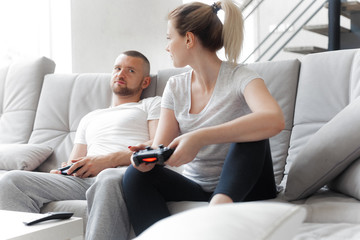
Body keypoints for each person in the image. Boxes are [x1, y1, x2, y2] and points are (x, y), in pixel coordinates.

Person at [122, 0, 285, 236]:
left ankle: (214, 220)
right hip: (200, 187)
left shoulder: (242, 77)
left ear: (188, 39)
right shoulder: (175, 87)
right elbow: (163, 145)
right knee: (134, 176)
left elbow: (274, 119)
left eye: (169, 38)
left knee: (252, 134)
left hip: (250, 187)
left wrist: (199, 137)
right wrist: (151, 157)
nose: (167, 47)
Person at [0, 50, 161, 239]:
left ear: (145, 82)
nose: (120, 74)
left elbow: (157, 145)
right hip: (83, 180)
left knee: (107, 177)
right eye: (117, 68)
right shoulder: (90, 117)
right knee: (11, 181)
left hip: (122, 174)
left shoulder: (150, 104)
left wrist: (108, 161)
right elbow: (74, 159)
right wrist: (67, 170)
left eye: (130, 70)